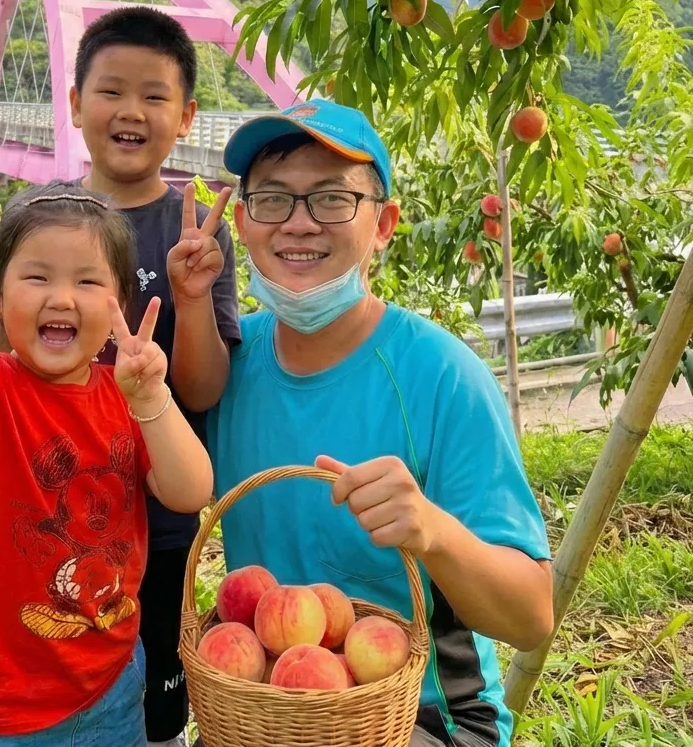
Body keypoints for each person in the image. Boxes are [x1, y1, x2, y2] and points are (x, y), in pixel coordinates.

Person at [197, 99, 554, 747]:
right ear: (243, 222)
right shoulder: (223, 366)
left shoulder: (443, 377)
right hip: (273, 708)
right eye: (273, 199)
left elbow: (531, 616)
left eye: (332, 199)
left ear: (384, 224)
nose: (299, 225)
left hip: (419, 718)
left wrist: (434, 531)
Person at [0, 107, 214, 747]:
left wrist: (154, 399)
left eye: (87, 281)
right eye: (37, 278)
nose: (62, 298)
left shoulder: (125, 397)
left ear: (120, 305)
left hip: (109, 686)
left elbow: (191, 490)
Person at [0, 5, 240, 747]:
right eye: (112, 90)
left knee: (151, 715)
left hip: (162, 523)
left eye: (155, 96)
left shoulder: (197, 224)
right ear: (76, 103)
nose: (132, 111)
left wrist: (190, 296)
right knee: (40, 681)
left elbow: (206, 391)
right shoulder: (36, 214)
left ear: (186, 117)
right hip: (48, 522)